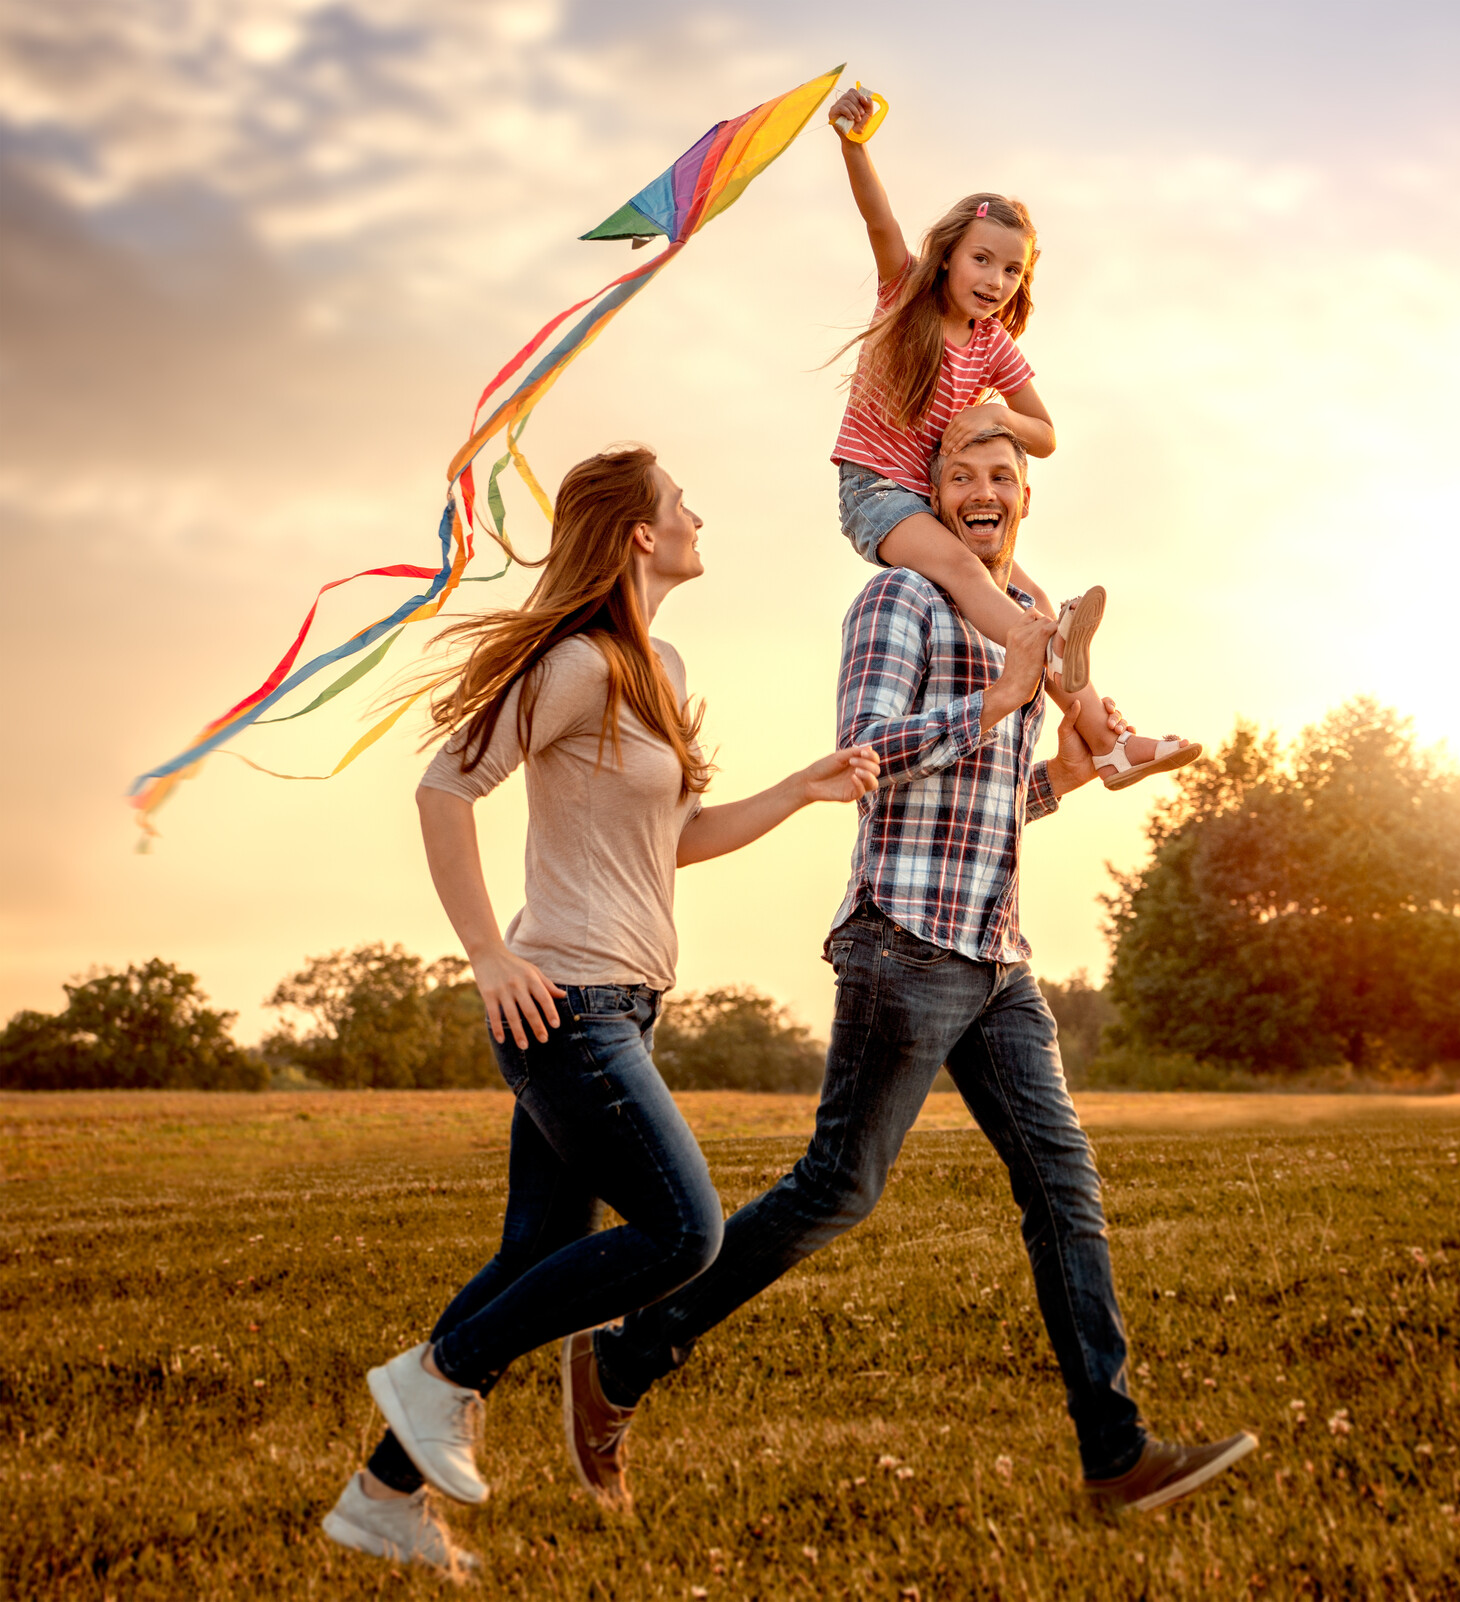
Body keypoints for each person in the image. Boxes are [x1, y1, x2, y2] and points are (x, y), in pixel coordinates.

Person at [568, 425, 1255, 1514]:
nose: (984, 493)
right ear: (929, 500)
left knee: (1064, 1189)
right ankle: (623, 1360)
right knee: (837, 1188)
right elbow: (867, 758)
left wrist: (1069, 773)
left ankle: (1114, 1458)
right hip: (904, 943)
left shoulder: (1015, 622)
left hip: (997, 952)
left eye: (1003, 479)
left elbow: (991, 805)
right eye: (961, 478)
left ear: (1024, 501)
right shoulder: (899, 604)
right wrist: (1000, 699)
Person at [318, 444, 881, 1572]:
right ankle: (439, 1375)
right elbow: (446, 784)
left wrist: (799, 789)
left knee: (537, 1249)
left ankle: (379, 1500)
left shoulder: (654, 664)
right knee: (685, 1232)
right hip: (562, 1001)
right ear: (638, 532)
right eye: (681, 503)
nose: (697, 515)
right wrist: (487, 953)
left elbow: (674, 842)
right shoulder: (575, 661)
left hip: (622, 1000)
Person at [819, 81, 1200, 794]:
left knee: (1033, 598)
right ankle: (1046, 647)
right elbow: (879, 223)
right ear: (948, 257)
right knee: (972, 579)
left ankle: (1109, 745)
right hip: (875, 493)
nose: (995, 279)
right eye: (982, 260)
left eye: (1011, 269)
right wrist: (855, 145)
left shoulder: (992, 344)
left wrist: (998, 417)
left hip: (931, 504)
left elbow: (1045, 432)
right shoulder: (905, 296)